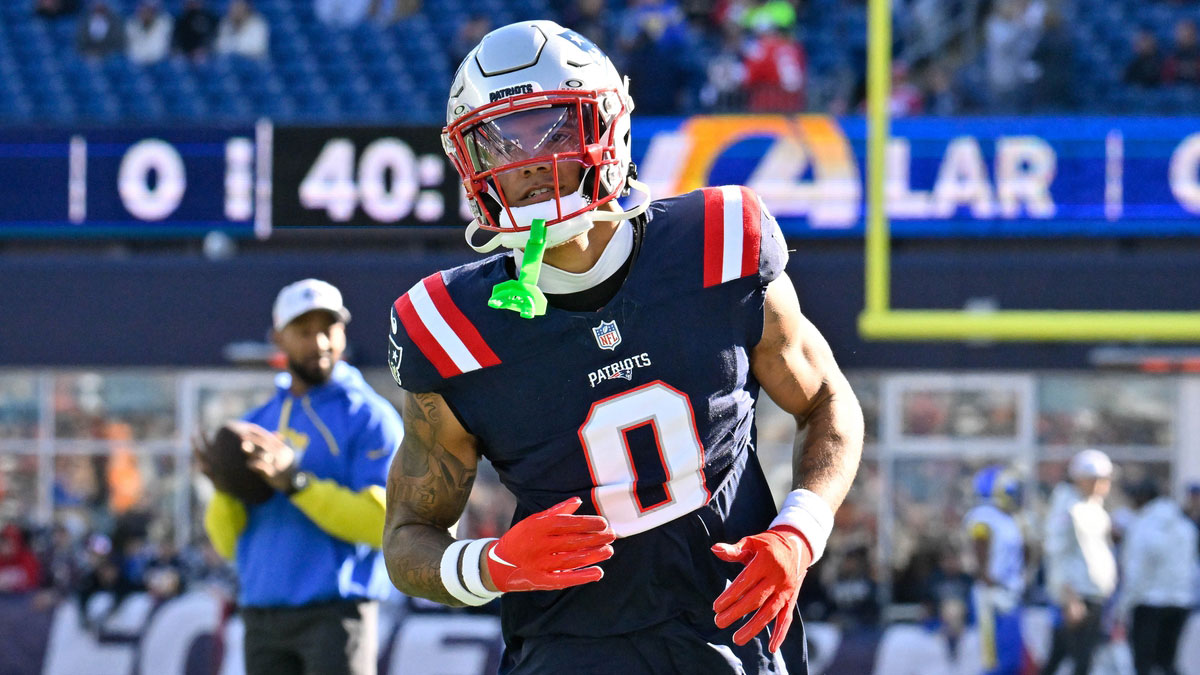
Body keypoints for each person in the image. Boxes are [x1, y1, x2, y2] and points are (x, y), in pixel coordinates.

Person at [382, 20, 863, 674]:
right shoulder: (449, 324)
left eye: (549, 128)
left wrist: (800, 531)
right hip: (565, 650)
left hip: (728, 634)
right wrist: (489, 563)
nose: (523, 162)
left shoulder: (717, 242)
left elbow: (828, 400)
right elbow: (407, 535)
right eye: (495, 141)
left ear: (605, 125)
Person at [195, 278, 403, 675]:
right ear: (277, 337)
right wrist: (224, 488)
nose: (320, 343)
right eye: (303, 332)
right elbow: (228, 545)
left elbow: (384, 524)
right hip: (261, 614)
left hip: (336, 615)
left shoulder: (370, 417)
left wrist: (296, 482)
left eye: (328, 329)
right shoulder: (255, 424)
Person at [1040, 449, 1117, 675]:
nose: (1104, 484)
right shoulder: (1068, 507)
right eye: (1099, 479)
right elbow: (1057, 553)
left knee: (1066, 657)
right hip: (1077, 596)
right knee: (1079, 660)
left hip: (1094, 594)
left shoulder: (1093, 507)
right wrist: (1070, 598)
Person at [1118, 478, 1198, 675]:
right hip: (1180, 603)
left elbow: (1136, 570)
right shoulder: (1184, 526)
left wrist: (1124, 605)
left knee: (1143, 663)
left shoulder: (1143, 525)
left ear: (1143, 498)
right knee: (1167, 662)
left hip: (1148, 603)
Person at [964, 466, 1025, 675]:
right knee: (993, 661)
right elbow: (979, 543)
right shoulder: (984, 515)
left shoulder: (1007, 518)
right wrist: (986, 578)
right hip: (992, 594)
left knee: (1012, 660)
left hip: (1009, 591)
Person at [126, 0, 172, 65]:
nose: (146, 12)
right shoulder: (131, 24)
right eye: (143, 8)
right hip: (137, 63)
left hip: (158, 62)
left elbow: (160, 49)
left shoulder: (164, 23)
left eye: (148, 9)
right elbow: (131, 50)